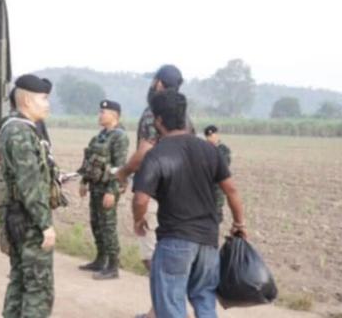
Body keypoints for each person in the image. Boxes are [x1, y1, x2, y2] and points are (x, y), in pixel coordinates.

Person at [133, 90, 247, 318]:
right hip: (208, 241)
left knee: (171, 304)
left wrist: (138, 219)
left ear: (158, 120)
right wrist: (239, 224)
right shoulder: (210, 150)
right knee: (205, 301)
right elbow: (232, 190)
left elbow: (140, 199)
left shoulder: (157, 154)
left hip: (175, 240)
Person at [115, 64, 194, 318]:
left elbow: (145, 151)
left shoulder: (154, 112)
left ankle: (167, 310)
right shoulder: (184, 115)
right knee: (166, 254)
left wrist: (123, 173)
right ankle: (160, 309)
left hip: (155, 190)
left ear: (158, 83)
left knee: (153, 256)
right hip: (179, 193)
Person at [0, 74, 56, 318]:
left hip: (18, 215)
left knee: (20, 281)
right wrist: (45, 225)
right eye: (44, 98)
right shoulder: (20, 132)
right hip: (29, 219)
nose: (47, 104)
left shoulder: (14, 127)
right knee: (38, 289)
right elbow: (29, 183)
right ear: (28, 101)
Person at [77, 100, 130, 280]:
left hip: (107, 188)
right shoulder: (100, 136)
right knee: (96, 224)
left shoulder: (119, 137)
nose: (100, 115)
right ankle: (100, 260)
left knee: (108, 226)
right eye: (100, 112)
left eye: (103, 112)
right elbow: (89, 160)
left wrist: (112, 191)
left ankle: (113, 266)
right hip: (95, 187)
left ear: (114, 115)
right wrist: (84, 181)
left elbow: (119, 167)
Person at [204, 125, 232, 220]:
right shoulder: (203, 148)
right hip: (205, 186)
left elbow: (224, 165)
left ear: (217, 135)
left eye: (212, 135)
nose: (210, 138)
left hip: (217, 186)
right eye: (208, 136)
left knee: (216, 212)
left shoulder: (223, 149)